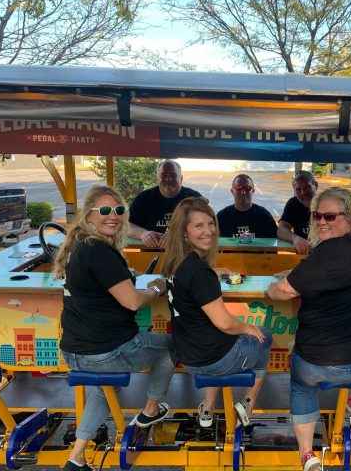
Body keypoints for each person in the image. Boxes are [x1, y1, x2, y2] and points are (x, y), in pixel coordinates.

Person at [267, 187, 351, 471]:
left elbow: (283, 292)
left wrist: (272, 286)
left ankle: (307, 455)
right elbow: (333, 277)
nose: (321, 221)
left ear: (349, 218)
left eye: (329, 216)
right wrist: (300, 275)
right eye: (316, 216)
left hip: (330, 365)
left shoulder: (329, 254)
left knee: (301, 382)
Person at [53, 186, 174, 471]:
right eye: (105, 211)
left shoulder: (80, 244)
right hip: (107, 350)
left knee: (105, 386)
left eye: (119, 211)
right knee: (174, 344)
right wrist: (156, 289)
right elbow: (132, 302)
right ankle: (150, 410)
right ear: (89, 215)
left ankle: (77, 456)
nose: (114, 216)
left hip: (75, 352)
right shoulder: (98, 252)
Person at [161, 197, 272, 428]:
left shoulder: (176, 264)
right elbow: (225, 323)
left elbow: (194, 282)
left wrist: (213, 271)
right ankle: (248, 403)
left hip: (189, 357)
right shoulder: (200, 272)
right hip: (213, 359)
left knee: (217, 339)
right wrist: (248, 328)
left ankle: (207, 409)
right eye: (198, 226)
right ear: (184, 232)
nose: (208, 231)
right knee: (264, 335)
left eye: (211, 224)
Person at [128, 160, 203, 248]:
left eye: (173, 175)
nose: (168, 179)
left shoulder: (194, 198)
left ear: (181, 179)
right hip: (151, 252)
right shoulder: (143, 198)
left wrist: (179, 235)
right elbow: (127, 225)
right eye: (163, 176)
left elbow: (207, 226)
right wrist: (143, 234)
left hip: (186, 252)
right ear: (157, 179)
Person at [277, 170, 318, 254]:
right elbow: (281, 230)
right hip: (303, 256)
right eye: (298, 189)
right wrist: (296, 239)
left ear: (315, 185)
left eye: (307, 187)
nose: (303, 192)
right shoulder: (293, 204)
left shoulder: (327, 203)